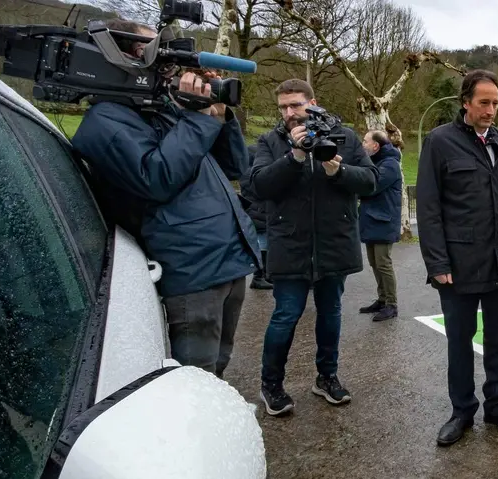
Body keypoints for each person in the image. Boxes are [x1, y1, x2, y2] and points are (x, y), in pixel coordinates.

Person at [72, 19, 261, 378]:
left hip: (229, 261)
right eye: (155, 52)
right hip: (191, 273)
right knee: (193, 382)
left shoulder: (164, 109)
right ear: (122, 59)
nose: (169, 64)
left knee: (217, 370)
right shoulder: (105, 121)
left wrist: (217, 112)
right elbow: (157, 178)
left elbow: (235, 166)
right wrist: (194, 119)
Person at [417, 69, 498, 446]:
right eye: (483, 102)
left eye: (496, 103)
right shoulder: (439, 141)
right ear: (465, 102)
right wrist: (437, 263)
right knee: (459, 341)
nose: (491, 110)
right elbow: (429, 207)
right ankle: (462, 410)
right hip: (459, 264)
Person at [249, 79, 378, 416]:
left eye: (295, 105)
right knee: (285, 316)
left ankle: (327, 377)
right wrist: (293, 156)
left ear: (312, 102)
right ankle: (272, 385)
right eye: (283, 107)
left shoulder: (345, 137)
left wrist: (339, 170)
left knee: (331, 314)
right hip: (290, 244)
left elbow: (370, 180)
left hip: (334, 243)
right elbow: (260, 185)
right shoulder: (270, 140)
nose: (289, 113)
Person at [358, 130, 403, 322]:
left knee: (383, 263)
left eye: (365, 141)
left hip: (384, 221)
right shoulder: (377, 163)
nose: (362, 144)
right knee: (374, 262)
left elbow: (371, 186)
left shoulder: (390, 164)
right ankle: (382, 299)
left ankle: (392, 305)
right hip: (372, 220)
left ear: (376, 146)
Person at [242, 143, 273, 291]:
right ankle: (259, 277)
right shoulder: (253, 176)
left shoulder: (245, 173)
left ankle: (263, 275)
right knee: (262, 244)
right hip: (259, 213)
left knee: (263, 243)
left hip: (256, 212)